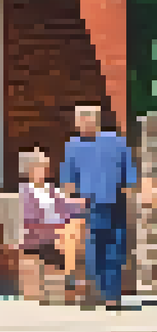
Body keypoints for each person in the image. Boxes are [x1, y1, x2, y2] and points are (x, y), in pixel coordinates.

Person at [60, 105, 151, 310]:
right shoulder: (73, 146)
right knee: (95, 250)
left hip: (116, 202)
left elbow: (128, 174)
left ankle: (112, 296)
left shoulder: (117, 142)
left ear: (96, 120)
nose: (82, 123)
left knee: (116, 250)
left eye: (86, 118)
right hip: (90, 204)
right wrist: (71, 203)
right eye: (79, 119)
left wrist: (131, 198)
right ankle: (101, 290)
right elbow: (68, 180)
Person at [19, 148, 87, 304]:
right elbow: (30, 220)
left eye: (45, 166)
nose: (44, 170)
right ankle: (71, 277)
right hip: (39, 234)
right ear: (28, 169)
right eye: (39, 166)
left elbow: (70, 207)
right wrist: (57, 228)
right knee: (72, 230)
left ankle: (73, 277)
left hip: (60, 232)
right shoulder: (25, 192)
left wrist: (91, 202)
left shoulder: (51, 190)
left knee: (78, 224)